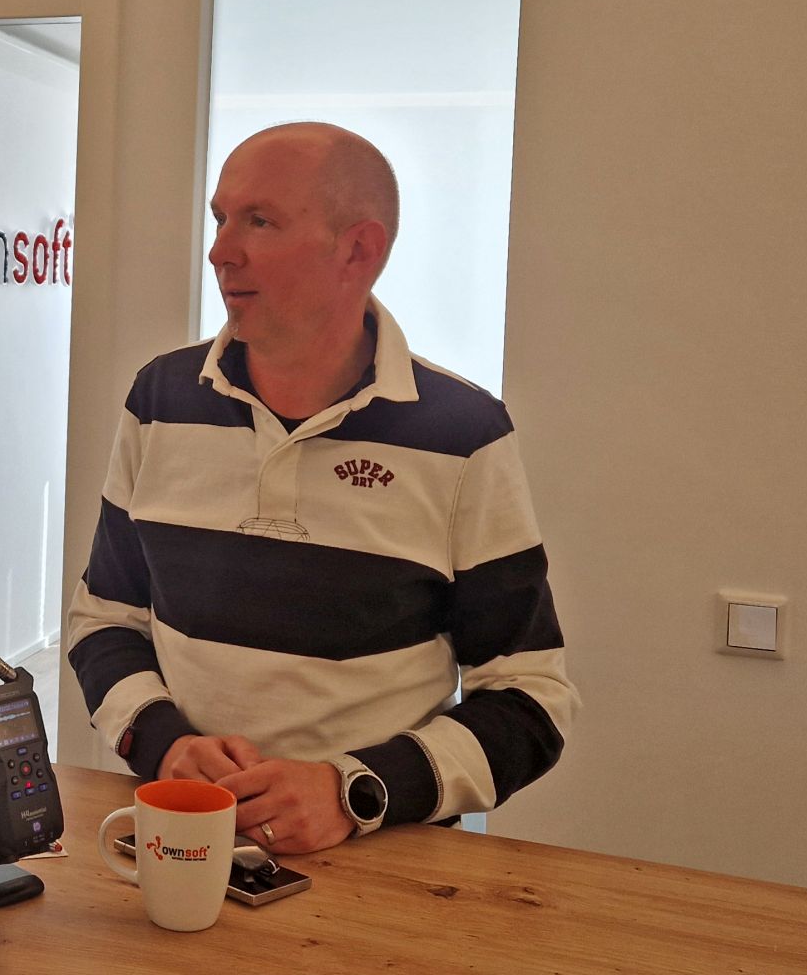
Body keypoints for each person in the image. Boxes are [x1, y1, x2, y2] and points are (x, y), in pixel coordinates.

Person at [66, 122, 580, 856]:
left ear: (359, 250)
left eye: (259, 221)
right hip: (181, 839)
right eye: (220, 218)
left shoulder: (464, 433)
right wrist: (163, 741)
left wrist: (352, 790)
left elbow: (531, 698)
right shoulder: (160, 398)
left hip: (382, 862)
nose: (220, 251)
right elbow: (104, 620)